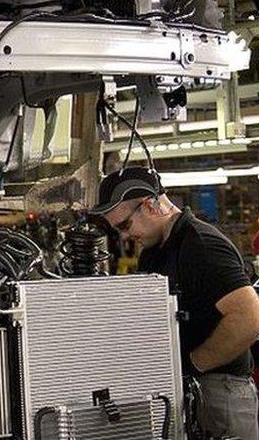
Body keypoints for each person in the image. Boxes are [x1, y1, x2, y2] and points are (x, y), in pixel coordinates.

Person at [92, 167, 259, 439]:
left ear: (149, 205)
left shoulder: (201, 246)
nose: (124, 236)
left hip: (219, 389)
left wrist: (193, 364)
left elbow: (250, 317)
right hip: (188, 387)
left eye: (124, 225)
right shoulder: (155, 251)